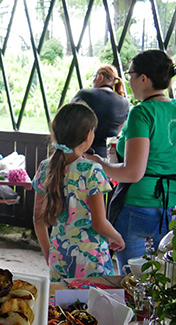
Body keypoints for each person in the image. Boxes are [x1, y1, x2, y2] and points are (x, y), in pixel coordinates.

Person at [86, 50, 176, 269]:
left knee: (134, 280)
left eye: (130, 74)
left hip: (139, 207)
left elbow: (133, 172)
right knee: (167, 280)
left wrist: (100, 164)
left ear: (143, 78)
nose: (129, 81)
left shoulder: (142, 113)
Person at [33, 103, 124, 284]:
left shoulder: (45, 167)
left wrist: (49, 254)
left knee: (63, 310)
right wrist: (118, 237)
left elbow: (38, 220)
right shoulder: (92, 170)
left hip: (59, 257)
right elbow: (99, 223)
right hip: (92, 262)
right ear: (89, 135)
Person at [71, 64, 130, 158]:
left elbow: (68, 119)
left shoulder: (85, 95)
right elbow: (121, 128)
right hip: (107, 158)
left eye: (94, 77)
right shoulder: (124, 103)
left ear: (100, 77)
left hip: (82, 154)